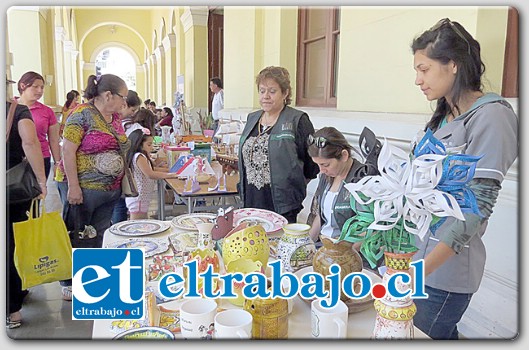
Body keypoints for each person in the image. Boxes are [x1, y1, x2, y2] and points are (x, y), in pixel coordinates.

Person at [410, 18, 518, 339]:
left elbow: (476, 208)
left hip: (444, 274)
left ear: (453, 65)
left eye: (424, 69)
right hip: (418, 261)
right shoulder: (442, 117)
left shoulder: (493, 116)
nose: (417, 80)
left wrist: (422, 270)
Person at [54, 73, 129, 301]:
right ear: (107, 95)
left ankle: (93, 278)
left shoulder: (113, 118)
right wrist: (74, 187)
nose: (124, 103)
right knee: (77, 232)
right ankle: (68, 281)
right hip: (83, 188)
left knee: (98, 234)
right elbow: (67, 151)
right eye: (122, 97)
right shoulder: (81, 114)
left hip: (108, 190)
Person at [238, 66, 319, 223]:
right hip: (251, 200)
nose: (266, 96)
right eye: (262, 91)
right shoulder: (252, 119)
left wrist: (292, 187)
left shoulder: (297, 120)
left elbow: (312, 164)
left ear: (285, 93)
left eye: (272, 91)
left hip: (282, 204)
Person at [6, 84, 47, 328]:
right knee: (14, 242)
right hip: (12, 189)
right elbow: (30, 143)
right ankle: (13, 308)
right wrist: (42, 181)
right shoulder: (16, 110)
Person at [305, 127, 365, 242]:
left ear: (344, 155)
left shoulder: (362, 180)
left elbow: (369, 230)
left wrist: (342, 252)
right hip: (324, 246)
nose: (321, 170)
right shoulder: (326, 176)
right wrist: (308, 244)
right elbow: (320, 217)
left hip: (349, 252)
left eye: (326, 165)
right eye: (318, 165)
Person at [125, 128, 178, 219]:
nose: (152, 147)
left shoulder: (140, 156)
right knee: (137, 226)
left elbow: (152, 169)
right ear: (139, 145)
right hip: (139, 198)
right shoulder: (139, 157)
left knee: (142, 223)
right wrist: (171, 174)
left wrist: (171, 170)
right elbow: (150, 174)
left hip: (141, 198)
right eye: (149, 145)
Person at [16, 71, 61, 179]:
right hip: (15, 159)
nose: (40, 91)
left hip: (41, 158)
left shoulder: (47, 111)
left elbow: (53, 140)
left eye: (42, 87)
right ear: (23, 86)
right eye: (35, 87)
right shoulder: (11, 107)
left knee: (39, 192)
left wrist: (57, 163)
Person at [111, 90, 142, 224]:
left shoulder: (113, 122)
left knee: (118, 205)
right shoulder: (128, 127)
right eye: (133, 110)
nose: (133, 113)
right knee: (119, 205)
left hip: (116, 169)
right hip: (118, 169)